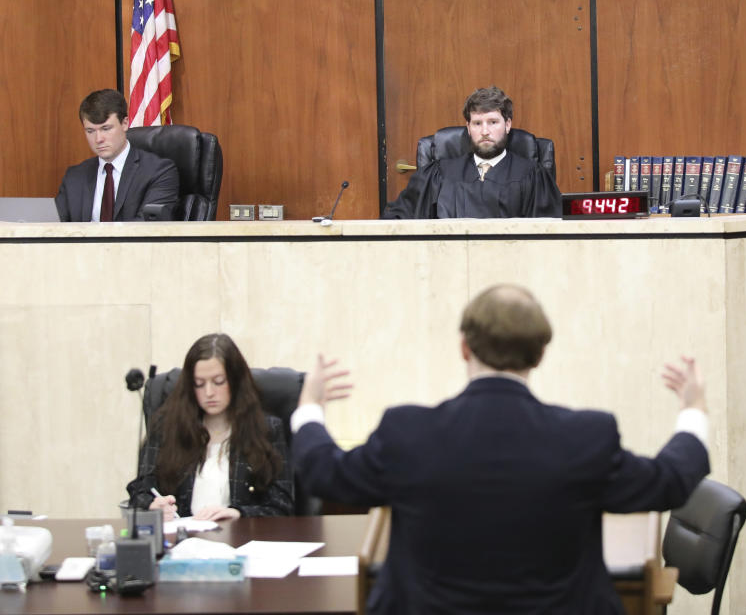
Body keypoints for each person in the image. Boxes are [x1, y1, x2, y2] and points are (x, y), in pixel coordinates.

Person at [291, 284, 710, 614]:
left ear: (464, 347)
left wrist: (309, 406)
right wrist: (693, 410)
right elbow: (670, 482)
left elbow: (321, 470)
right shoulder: (586, 438)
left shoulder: (407, 432)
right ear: (540, 354)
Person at [127, 333, 294, 521]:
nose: (209, 393)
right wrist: (152, 504)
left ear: (236, 380)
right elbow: (139, 490)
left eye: (218, 382)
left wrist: (238, 514)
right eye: (199, 384)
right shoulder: (167, 426)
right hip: (182, 542)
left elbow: (281, 506)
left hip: (241, 541)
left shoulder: (266, 430)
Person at [381, 86, 562, 219]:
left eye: (493, 122)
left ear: (507, 125)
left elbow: (548, 237)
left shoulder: (532, 176)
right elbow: (398, 219)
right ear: (468, 128)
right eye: (477, 123)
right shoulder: (439, 174)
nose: (485, 131)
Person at [55, 89, 179, 222]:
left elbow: (149, 227)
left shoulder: (158, 171)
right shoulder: (75, 176)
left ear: (125, 123)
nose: (98, 139)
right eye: (90, 131)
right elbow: (54, 227)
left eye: (106, 129)